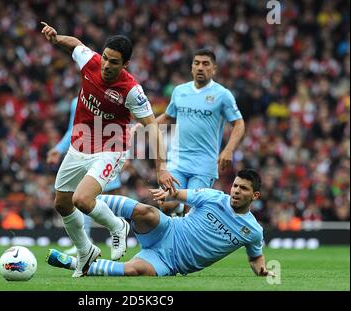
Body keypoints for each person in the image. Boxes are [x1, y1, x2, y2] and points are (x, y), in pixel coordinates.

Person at [40, 22, 178, 277]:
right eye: (105, 58)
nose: (106, 65)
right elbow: (76, 45)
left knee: (82, 199)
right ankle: (85, 251)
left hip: (111, 146)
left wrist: (161, 167)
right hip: (80, 144)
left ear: (124, 64)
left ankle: (118, 227)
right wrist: (56, 38)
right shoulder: (89, 61)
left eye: (113, 62)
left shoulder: (132, 91)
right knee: (62, 203)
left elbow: (152, 127)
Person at [47, 169, 275, 278]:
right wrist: (168, 194)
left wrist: (262, 270)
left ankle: (74, 264)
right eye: (235, 185)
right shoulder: (214, 197)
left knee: (135, 270)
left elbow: (255, 257)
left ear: (254, 196)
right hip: (168, 231)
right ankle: (88, 200)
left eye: (243, 188)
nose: (236, 191)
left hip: (170, 262)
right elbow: (179, 194)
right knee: (148, 212)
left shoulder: (253, 231)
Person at [156, 49, 245, 215]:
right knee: (166, 204)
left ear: (214, 69)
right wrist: (144, 127)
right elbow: (168, 116)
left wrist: (228, 149)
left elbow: (239, 123)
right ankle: (180, 208)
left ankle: (184, 216)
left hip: (204, 164)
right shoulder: (180, 91)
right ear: (191, 67)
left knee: (194, 210)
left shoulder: (222, 95)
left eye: (205, 64)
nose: (200, 67)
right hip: (177, 160)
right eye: (196, 63)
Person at [48, 97, 123, 255]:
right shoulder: (77, 101)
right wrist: (59, 149)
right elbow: (73, 130)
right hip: (82, 155)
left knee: (95, 198)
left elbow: (123, 127)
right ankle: (86, 240)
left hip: (106, 153)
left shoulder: (116, 96)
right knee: (80, 199)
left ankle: (119, 229)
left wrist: (126, 153)